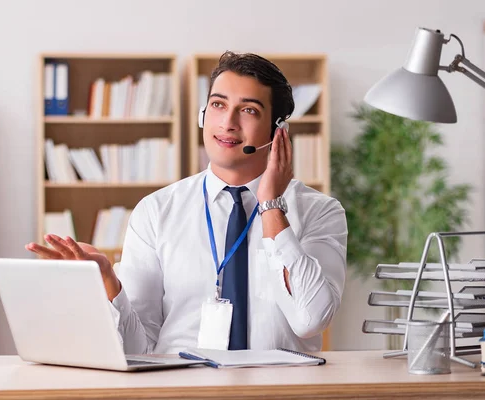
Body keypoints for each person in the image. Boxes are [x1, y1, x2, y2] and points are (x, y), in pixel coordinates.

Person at [26, 51, 347, 354]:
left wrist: (272, 206)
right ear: (202, 115)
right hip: (182, 389)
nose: (228, 122)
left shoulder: (320, 211)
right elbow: (139, 348)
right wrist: (110, 284)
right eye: (218, 105)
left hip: (278, 392)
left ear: (278, 131)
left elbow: (310, 319)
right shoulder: (156, 211)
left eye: (248, 110)